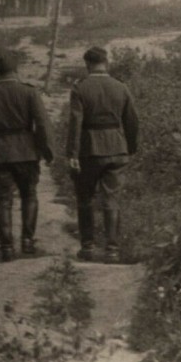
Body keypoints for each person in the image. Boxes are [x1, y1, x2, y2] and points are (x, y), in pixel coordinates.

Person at [0, 49, 54, 261]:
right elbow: (42, 124)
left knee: (3, 201)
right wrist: (46, 150)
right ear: (17, 69)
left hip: (0, 153)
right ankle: (27, 242)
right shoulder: (29, 92)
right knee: (29, 195)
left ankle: (6, 248)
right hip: (26, 151)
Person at [66, 46, 139, 263]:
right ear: (106, 63)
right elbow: (132, 122)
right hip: (117, 149)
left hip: (89, 150)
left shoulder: (80, 88)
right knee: (112, 199)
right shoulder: (121, 87)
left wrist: (72, 153)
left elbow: (75, 123)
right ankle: (112, 250)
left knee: (85, 199)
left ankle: (88, 247)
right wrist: (130, 147)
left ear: (87, 64)